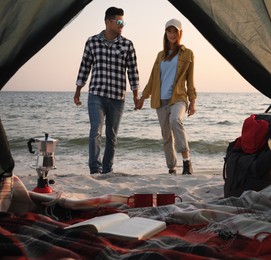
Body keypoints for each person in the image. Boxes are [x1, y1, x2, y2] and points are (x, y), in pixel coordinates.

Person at [73, 7, 139, 175]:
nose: (122, 25)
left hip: (117, 97)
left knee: (111, 136)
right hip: (96, 94)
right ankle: (95, 168)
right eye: (119, 22)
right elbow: (84, 67)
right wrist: (78, 91)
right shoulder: (92, 42)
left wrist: (136, 96)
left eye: (123, 22)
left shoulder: (127, 45)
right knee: (96, 130)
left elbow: (133, 72)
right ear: (107, 22)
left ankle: (107, 170)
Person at [136, 18, 197, 175]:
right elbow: (152, 79)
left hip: (178, 98)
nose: (171, 34)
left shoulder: (187, 54)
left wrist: (193, 101)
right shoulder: (160, 55)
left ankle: (186, 161)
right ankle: (171, 168)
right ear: (165, 33)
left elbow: (190, 80)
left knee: (176, 120)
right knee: (166, 136)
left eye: (174, 31)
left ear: (180, 33)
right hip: (160, 100)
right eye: (169, 31)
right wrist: (143, 97)